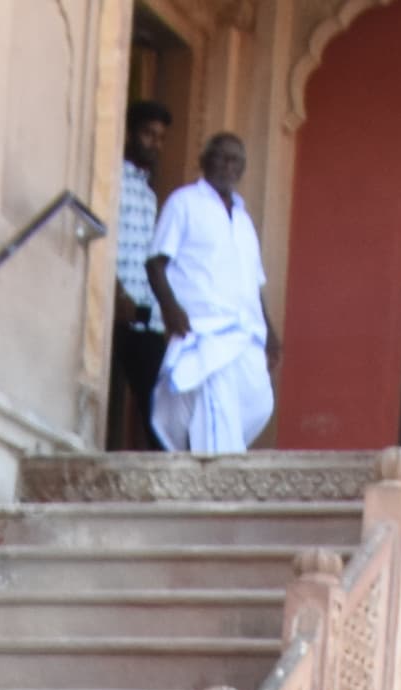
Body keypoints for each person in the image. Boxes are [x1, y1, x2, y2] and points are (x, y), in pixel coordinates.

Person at [146, 133, 275, 456]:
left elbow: (253, 283)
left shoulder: (244, 221)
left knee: (259, 401)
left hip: (245, 332)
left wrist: (270, 330)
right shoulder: (184, 202)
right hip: (201, 326)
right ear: (205, 162)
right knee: (209, 406)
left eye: (236, 161)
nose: (228, 166)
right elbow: (155, 263)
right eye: (221, 158)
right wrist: (170, 309)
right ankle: (210, 473)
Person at [110, 101, 172, 452]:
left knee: (155, 395)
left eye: (161, 138)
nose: (154, 144)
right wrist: (116, 294)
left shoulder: (148, 194)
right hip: (117, 306)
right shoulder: (112, 180)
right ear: (131, 134)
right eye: (148, 135)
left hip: (146, 316)